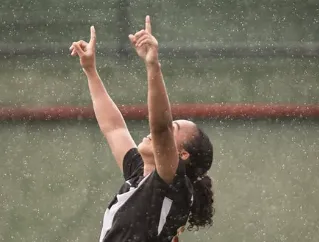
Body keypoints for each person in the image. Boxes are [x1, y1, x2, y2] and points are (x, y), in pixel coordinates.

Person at [70, 15, 214, 242]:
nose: (167, 128)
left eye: (175, 128)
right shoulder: (139, 174)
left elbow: (160, 128)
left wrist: (153, 65)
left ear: (182, 155)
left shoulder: (173, 185)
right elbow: (114, 128)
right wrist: (90, 70)